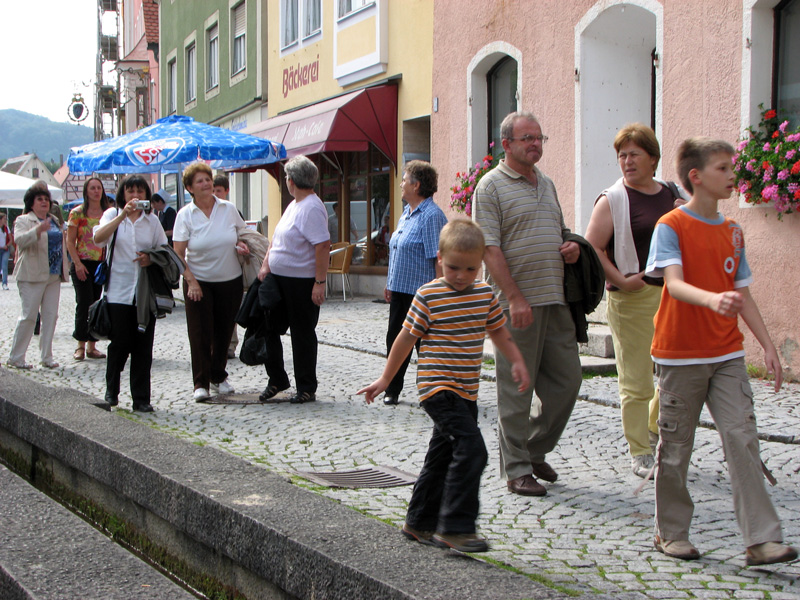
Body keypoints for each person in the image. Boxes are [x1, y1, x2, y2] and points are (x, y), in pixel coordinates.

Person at [644, 137, 798, 566]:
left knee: (743, 438)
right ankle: (670, 533)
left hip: (727, 353)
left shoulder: (733, 231)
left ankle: (761, 540)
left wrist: (767, 345)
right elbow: (672, 283)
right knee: (675, 448)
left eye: (732, 168)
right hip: (679, 353)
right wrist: (713, 300)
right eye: (723, 169)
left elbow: (742, 293)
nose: (733, 176)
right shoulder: (671, 226)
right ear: (696, 177)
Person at [358, 220, 530, 553]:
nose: (462, 275)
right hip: (437, 389)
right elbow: (405, 338)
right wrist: (385, 379)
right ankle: (455, 527)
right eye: (453, 267)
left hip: (466, 392)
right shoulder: (429, 295)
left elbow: (498, 332)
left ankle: (419, 522)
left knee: (441, 456)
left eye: (470, 268)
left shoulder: (483, 295)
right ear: (439, 259)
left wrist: (517, 360)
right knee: (472, 450)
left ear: (480, 263)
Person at [473, 111, 581, 497]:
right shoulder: (490, 187)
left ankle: (532, 449)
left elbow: (558, 230)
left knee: (568, 382)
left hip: (554, 299)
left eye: (539, 138)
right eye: (527, 139)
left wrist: (569, 247)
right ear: (506, 145)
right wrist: (514, 297)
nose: (536, 144)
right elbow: (489, 248)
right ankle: (517, 469)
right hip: (514, 304)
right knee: (516, 391)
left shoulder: (547, 184)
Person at [584, 124, 688, 478]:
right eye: (622, 156)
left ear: (653, 158)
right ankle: (640, 450)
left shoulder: (671, 193)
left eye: (634, 155)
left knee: (674, 372)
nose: (626, 162)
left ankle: (654, 429)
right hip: (633, 297)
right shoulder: (612, 199)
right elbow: (593, 247)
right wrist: (620, 281)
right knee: (637, 378)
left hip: (673, 294)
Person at [256, 155, 330, 405]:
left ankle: (306, 386)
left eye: (286, 177)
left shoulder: (311, 206)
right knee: (267, 326)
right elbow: (276, 239)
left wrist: (319, 282)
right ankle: (277, 378)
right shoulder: (293, 204)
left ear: (292, 181)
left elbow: (322, 245)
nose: (285, 180)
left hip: (301, 281)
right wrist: (266, 264)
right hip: (278, 279)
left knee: (302, 333)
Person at [173, 162, 250, 402]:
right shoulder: (185, 215)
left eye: (208, 179)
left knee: (224, 332)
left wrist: (243, 246)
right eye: (200, 181)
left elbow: (244, 234)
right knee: (200, 333)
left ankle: (218, 376)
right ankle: (201, 383)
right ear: (190, 188)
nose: (206, 184)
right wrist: (191, 281)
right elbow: (177, 254)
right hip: (199, 281)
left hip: (230, 280)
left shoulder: (228, 209)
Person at [93, 176, 168, 413]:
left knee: (143, 347)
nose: (135, 195)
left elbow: (164, 250)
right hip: (118, 290)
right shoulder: (112, 215)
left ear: (147, 194)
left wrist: (150, 258)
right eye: (130, 190)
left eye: (140, 190)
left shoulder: (152, 221)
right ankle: (111, 391)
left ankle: (141, 398)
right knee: (120, 343)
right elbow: (98, 239)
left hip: (144, 292)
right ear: (123, 194)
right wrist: (122, 215)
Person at [381, 161, 448, 406]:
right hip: (400, 291)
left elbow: (438, 258)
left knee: (426, 344)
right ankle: (392, 388)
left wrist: (441, 293)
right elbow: (397, 250)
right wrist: (390, 283)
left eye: (404, 179)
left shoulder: (432, 216)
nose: (401, 184)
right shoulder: (407, 213)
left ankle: (434, 391)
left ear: (416, 185)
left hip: (422, 294)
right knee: (395, 339)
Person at [7, 181, 67, 369]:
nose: (44, 202)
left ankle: (46, 356)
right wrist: (37, 230)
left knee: (51, 316)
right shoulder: (24, 220)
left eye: (46, 199)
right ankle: (16, 357)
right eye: (39, 199)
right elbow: (19, 241)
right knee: (29, 316)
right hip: (31, 274)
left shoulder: (54, 220)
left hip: (53, 274)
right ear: (31, 203)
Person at [66, 177, 111, 362]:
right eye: (92, 188)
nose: (96, 191)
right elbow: (70, 241)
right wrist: (77, 263)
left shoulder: (107, 214)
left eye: (98, 188)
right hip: (82, 262)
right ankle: (80, 344)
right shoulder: (77, 214)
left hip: (99, 264)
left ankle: (93, 345)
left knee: (95, 304)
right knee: (83, 302)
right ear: (86, 191)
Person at [0, 212, 15, 290]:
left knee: (4, 266)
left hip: (5, 249)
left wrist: (7, 245)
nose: (5, 220)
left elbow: (10, 239)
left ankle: (4, 283)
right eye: (4, 219)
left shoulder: (6, 228)